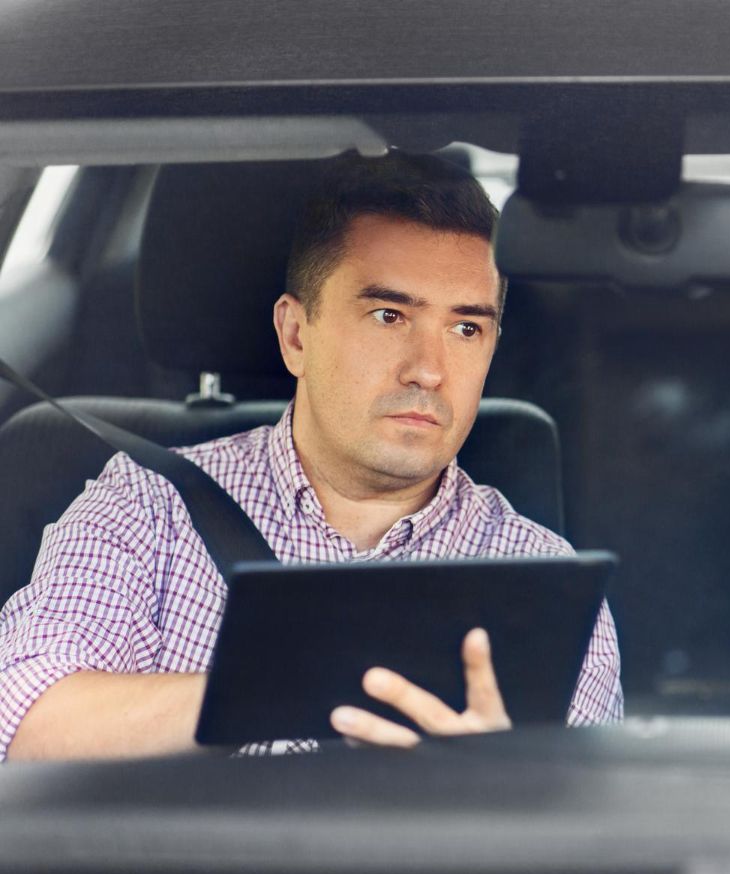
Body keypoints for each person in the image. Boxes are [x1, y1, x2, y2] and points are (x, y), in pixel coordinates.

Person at [0, 151, 622, 761]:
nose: (430, 370)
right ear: (296, 334)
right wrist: (303, 682)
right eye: (389, 315)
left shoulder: (543, 577)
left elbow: (592, 839)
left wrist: (509, 778)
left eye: (466, 329)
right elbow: (25, 726)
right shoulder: (146, 507)